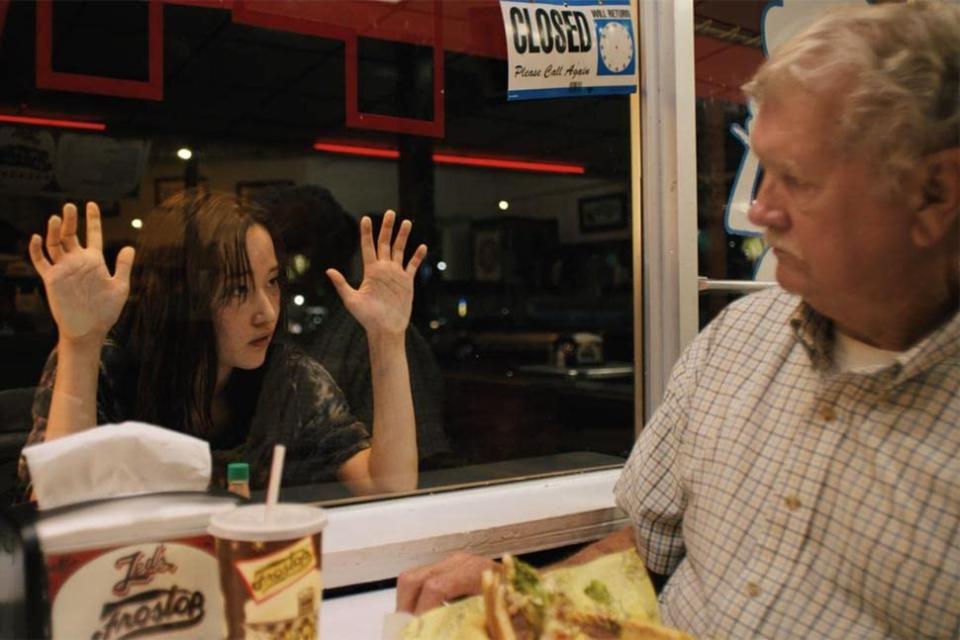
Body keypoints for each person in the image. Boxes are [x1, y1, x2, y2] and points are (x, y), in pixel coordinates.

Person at [396, 2, 960, 637]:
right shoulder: (737, 341)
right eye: (762, 170)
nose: (758, 210)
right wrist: (524, 592)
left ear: (934, 193)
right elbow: (644, 551)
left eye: (798, 180)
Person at [17, 189, 427, 496]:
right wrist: (80, 342)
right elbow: (56, 508)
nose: (266, 310)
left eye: (271, 283)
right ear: (183, 297)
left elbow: (387, 488)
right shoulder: (109, 365)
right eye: (236, 289)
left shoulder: (287, 379)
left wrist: (387, 337)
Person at [254, 185, 454, 468]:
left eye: (294, 248)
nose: (288, 265)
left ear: (331, 251)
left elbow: (427, 463)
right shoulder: (277, 330)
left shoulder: (370, 332)